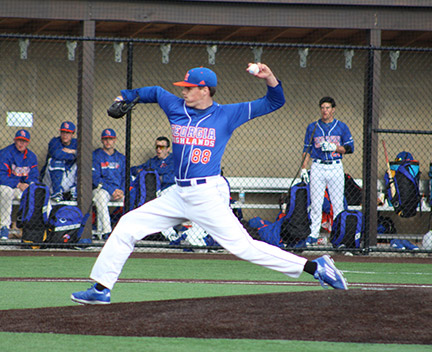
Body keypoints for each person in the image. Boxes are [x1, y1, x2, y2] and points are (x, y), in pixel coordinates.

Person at [71, 64, 348, 305]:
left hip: (206, 194)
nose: (184, 91)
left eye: (190, 88)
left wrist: (270, 78)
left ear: (205, 90)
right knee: (128, 225)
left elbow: (274, 102)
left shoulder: (227, 114)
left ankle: (317, 267)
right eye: (184, 87)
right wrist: (127, 96)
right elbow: (155, 91)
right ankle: (101, 289)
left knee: (244, 248)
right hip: (179, 193)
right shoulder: (176, 106)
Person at [300, 96, 354, 247]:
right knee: (316, 202)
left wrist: (334, 147)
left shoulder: (341, 126)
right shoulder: (313, 127)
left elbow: (350, 148)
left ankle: (338, 235)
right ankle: (313, 234)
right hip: (317, 166)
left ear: (333, 109)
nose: (325, 111)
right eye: (322, 108)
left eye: (328, 108)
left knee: (337, 204)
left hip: (335, 166)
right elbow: (307, 149)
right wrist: (304, 168)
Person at [0, 130, 39, 240]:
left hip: (21, 187)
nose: (21, 144)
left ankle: (32, 228)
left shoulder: (31, 156)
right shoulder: (5, 153)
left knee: (34, 192)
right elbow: (1, 176)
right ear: (14, 140)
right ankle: (4, 227)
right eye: (19, 141)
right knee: (5, 191)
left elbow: (34, 176)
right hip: (9, 186)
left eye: (24, 141)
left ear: (28, 142)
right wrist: (17, 184)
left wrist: (28, 184)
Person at [92, 128, 126, 240]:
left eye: (110, 139)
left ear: (115, 140)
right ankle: (107, 232)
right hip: (103, 189)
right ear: (102, 140)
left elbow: (125, 178)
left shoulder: (121, 158)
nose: (108, 141)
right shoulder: (96, 155)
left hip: (119, 192)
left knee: (131, 199)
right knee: (100, 196)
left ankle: (128, 232)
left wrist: (121, 191)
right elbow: (95, 178)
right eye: (105, 139)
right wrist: (112, 190)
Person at [41, 121, 78, 202]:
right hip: (51, 179)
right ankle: (56, 192)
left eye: (68, 132)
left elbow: (85, 155)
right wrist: (73, 155)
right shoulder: (54, 141)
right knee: (56, 161)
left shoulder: (77, 143)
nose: (65, 135)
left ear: (73, 134)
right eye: (63, 132)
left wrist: (72, 151)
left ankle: (75, 191)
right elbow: (56, 154)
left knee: (81, 162)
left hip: (67, 178)